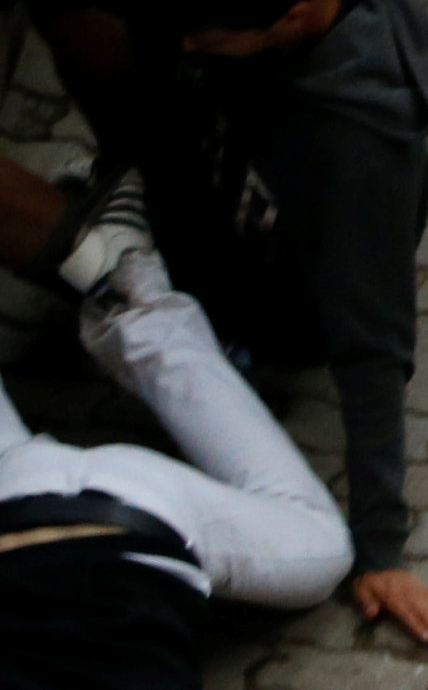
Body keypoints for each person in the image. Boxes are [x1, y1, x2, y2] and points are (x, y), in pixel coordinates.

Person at [0, 0, 428, 646]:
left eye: (204, 37)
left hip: (250, 289)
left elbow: (374, 347)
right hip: (202, 160)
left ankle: (117, 259)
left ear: (285, 20)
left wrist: (380, 547)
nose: (181, 40)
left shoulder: (359, 155)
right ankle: (122, 187)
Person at [0, 213, 355, 685]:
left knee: (324, 546)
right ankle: (118, 281)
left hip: (142, 512)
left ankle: (136, 301)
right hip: (17, 495)